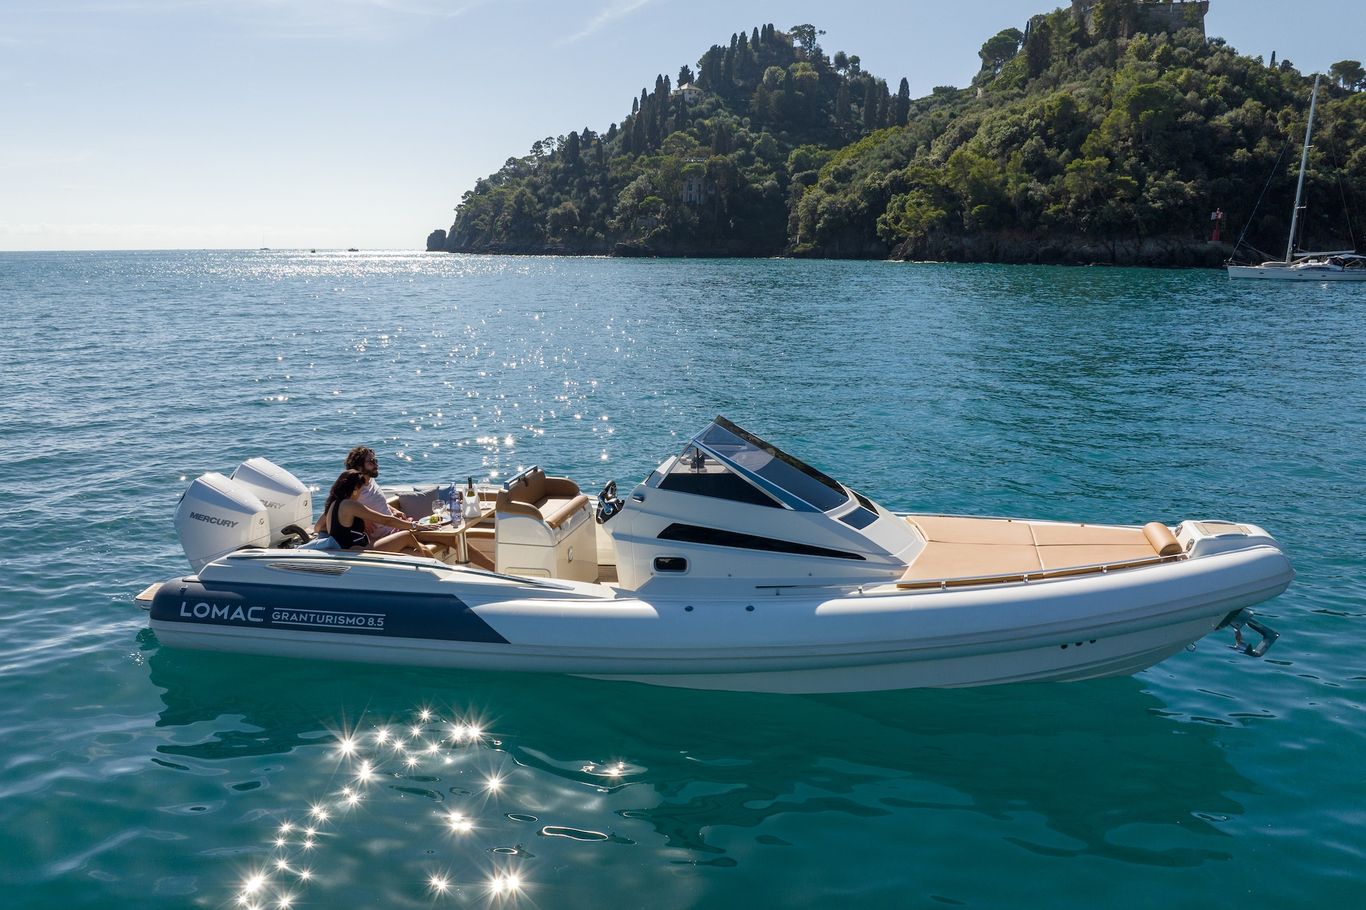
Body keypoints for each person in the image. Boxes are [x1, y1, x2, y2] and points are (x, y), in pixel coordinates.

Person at [319, 469, 435, 557]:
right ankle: (436, 568)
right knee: (406, 535)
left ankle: (432, 567)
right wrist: (415, 526)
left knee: (413, 552)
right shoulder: (349, 504)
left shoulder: (332, 505)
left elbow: (325, 529)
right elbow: (386, 520)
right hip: (357, 554)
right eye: (361, 489)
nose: (360, 493)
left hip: (349, 552)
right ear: (355, 489)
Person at [313, 446, 412, 541]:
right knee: (418, 533)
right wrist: (358, 520)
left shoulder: (370, 480)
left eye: (375, 460)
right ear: (359, 467)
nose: (376, 465)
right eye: (371, 462)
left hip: (395, 528)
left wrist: (393, 510)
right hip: (384, 538)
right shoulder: (353, 491)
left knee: (419, 529)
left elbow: (374, 503)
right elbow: (319, 526)